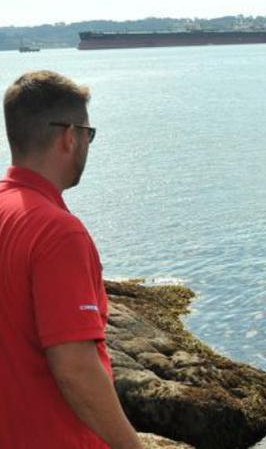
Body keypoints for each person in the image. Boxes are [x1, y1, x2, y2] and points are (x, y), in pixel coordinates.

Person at [0, 71, 142, 449]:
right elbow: (75, 369)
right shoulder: (59, 234)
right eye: (88, 134)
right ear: (70, 137)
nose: (87, 144)